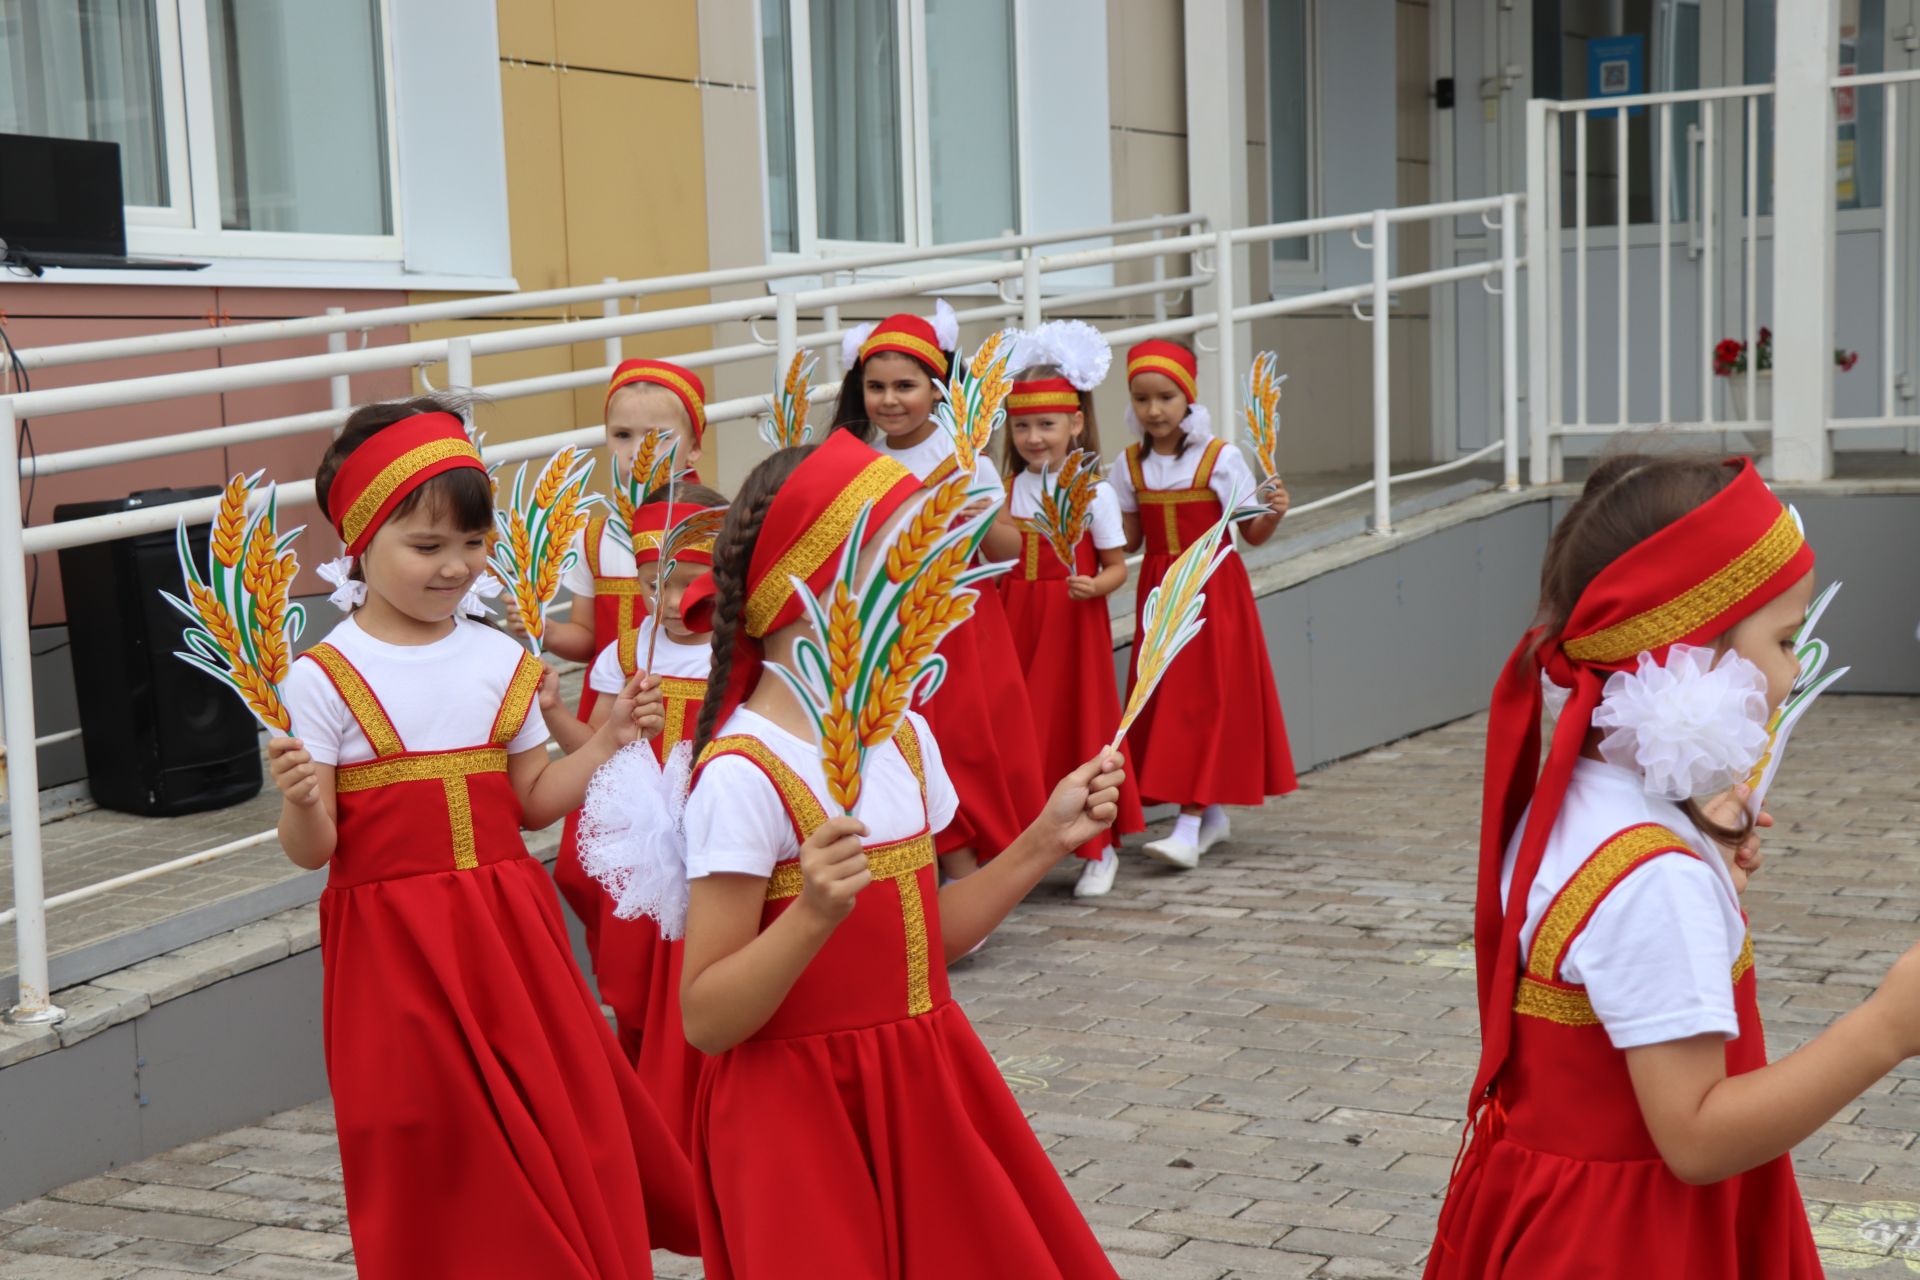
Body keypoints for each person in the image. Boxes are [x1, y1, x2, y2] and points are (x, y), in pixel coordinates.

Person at [1423, 454, 1911, 1278]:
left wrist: (1699, 843)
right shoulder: (1655, 880)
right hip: (1641, 1243)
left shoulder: (1575, 797)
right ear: (1687, 649)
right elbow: (1695, 1135)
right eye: (1786, 641)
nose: (1795, 673)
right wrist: (1889, 1027)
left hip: (1553, 1218)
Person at [675, 432, 1125, 1277]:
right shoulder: (742, 775)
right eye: (903, 560)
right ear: (812, 589)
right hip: (794, 1121)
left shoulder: (908, 741)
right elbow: (706, 1018)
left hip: (924, 1085)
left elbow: (926, 942)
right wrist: (810, 915)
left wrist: (1042, 841)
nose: (933, 585)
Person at [267, 396, 698, 1276]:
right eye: (427, 547)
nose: (455, 568)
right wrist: (305, 800)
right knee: (424, 1132)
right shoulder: (321, 680)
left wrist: (612, 736)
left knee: (556, 1111)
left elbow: (534, 801)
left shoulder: (503, 659)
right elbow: (315, 851)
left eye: (472, 544)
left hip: (512, 936)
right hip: (392, 952)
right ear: (358, 542)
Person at [540, 483, 727, 1153]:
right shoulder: (629, 650)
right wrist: (554, 709)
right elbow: (591, 748)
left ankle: (697, 1101)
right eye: (654, 584)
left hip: (709, 839)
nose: (670, 602)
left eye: (687, 582)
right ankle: (642, 1105)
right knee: (630, 978)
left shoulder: (736, 652)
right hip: (637, 849)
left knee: (695, 974)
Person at [831, 305, 1046, 880]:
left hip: (959, 626)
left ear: (937, 387)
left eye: (906, 385)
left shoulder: (965, 456)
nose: (889, 400)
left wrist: (972, 511)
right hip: (883, 627)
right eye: (875, 387)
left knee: (962, 745)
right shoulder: (856, 459)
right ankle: (916, 864)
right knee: (896, 744)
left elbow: (1008, 551)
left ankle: (967, 873)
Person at [533, 360, 707, 958]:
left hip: (695, 715)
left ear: (696, 442)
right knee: (597, 864)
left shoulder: (711, 523)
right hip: (615, 715)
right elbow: (587, 635)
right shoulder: (593, 534)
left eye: (659, 436)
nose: (640, 451)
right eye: (623, 435)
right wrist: (546, 632)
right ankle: (628, 976)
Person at [1110, 339, 1296, 868]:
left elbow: (1252, 534)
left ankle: (1189, 823)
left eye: (1166, 397)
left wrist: (1275, 511)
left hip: (1213, 587)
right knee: (1169, 697)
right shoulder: (1127, 465)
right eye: (1142, 398)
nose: (1154, 410)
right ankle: (1209, 817)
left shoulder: (1221, 457)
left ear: (1187, 397)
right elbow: (1129, 541)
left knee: (1205, 698)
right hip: (1159, 591)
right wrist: (1087, 516)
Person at [999, 321, 1144, 897]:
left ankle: (1099, 845)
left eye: (1047, 425)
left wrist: (1097, 586)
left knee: (1082, 726)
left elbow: (1117, 563)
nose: (1035, 437)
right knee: (1020, 731)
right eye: (1022, 426)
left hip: (1072, 625)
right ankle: (1020, 847)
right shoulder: (1006, 489)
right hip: (1015, 622)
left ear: (1075, 423)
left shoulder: (1096, 491)